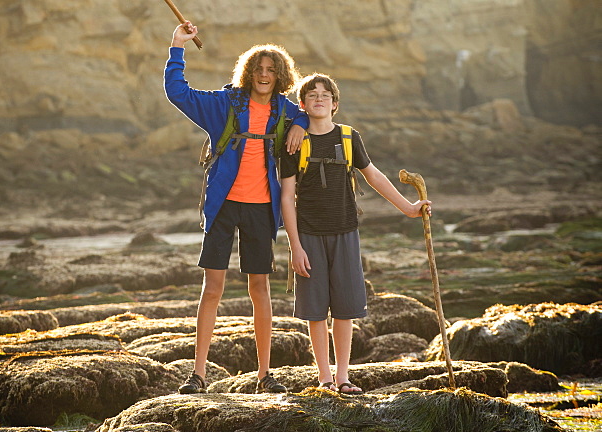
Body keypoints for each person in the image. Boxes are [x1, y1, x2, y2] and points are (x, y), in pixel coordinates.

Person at [164, 20, 308, 394]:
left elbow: (312, 111)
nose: (264, 75)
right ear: (248, 73)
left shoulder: (286, 111)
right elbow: (178, 92)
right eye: (258, 69)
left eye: (271, 70)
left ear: (280, 76)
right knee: (212, 288)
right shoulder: (225, 104)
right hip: (224, 206)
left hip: (262, 209)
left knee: (259, 288)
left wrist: (302, 124)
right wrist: (177, 47)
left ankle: (265, 376)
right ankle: (198, 375)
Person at [280, 73, 431, 396]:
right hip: (308, 235)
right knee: (316, 311)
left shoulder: (349, 138)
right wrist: (295, 246)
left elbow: (374, 177)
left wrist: (409, 208)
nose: (319, 98)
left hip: (346, 231)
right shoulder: (294, 141)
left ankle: (344, 377)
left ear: (335, 104)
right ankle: (324, 378)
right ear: (303, 104)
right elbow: (285, 197)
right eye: (311, 94)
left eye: (325, 94)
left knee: (346, 308)